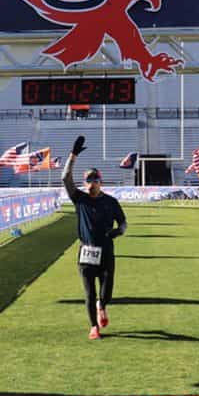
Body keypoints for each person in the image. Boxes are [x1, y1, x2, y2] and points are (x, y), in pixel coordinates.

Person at [63, 135, 127, 340]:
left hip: (106, 250)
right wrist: (73, 156)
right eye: (88, 181)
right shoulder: (79, 199)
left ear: (101, 182)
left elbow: (123, 222)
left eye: (95, 180)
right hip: (86, 251)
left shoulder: (111, 202)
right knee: (89, 293)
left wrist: (119, 231)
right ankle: (93, 327)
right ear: (84, 183)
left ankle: (102, 305)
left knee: (106, 293)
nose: (92, 184)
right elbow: (65, 178)